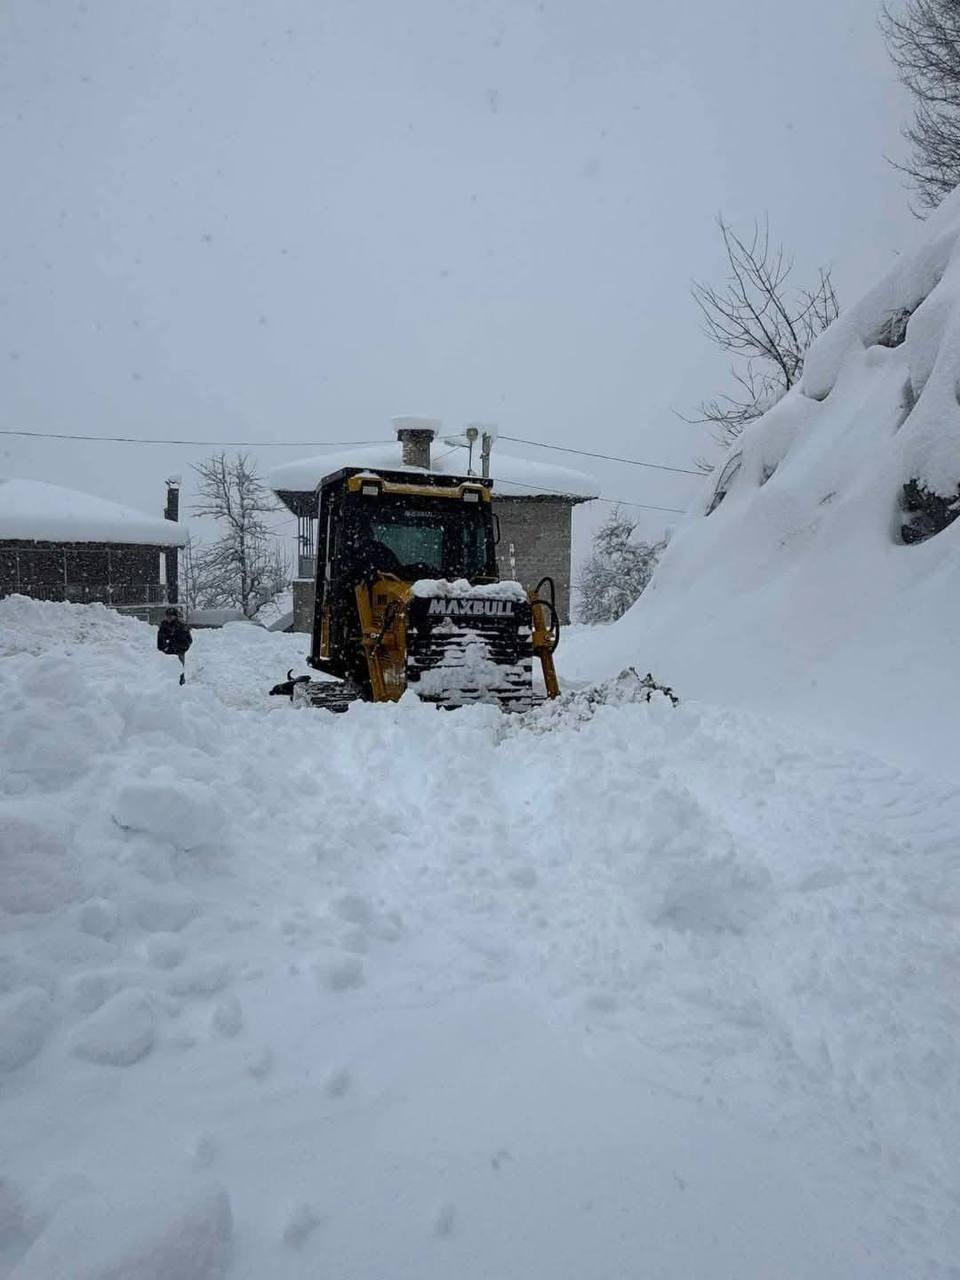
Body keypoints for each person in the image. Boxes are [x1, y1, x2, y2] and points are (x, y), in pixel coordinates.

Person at [157, 607, 192, 685]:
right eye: (167, 616)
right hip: (167, 652)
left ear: (175, 616)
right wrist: (161, 648)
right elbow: (160, 638)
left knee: (179, 670)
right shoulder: (163, 625)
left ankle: (181, 685)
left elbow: (189, 640)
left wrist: (181, 648)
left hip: (179, 652)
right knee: (167, 671)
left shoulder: (181, 626)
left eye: (170, 616)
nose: (168, 618)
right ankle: (167, 685)